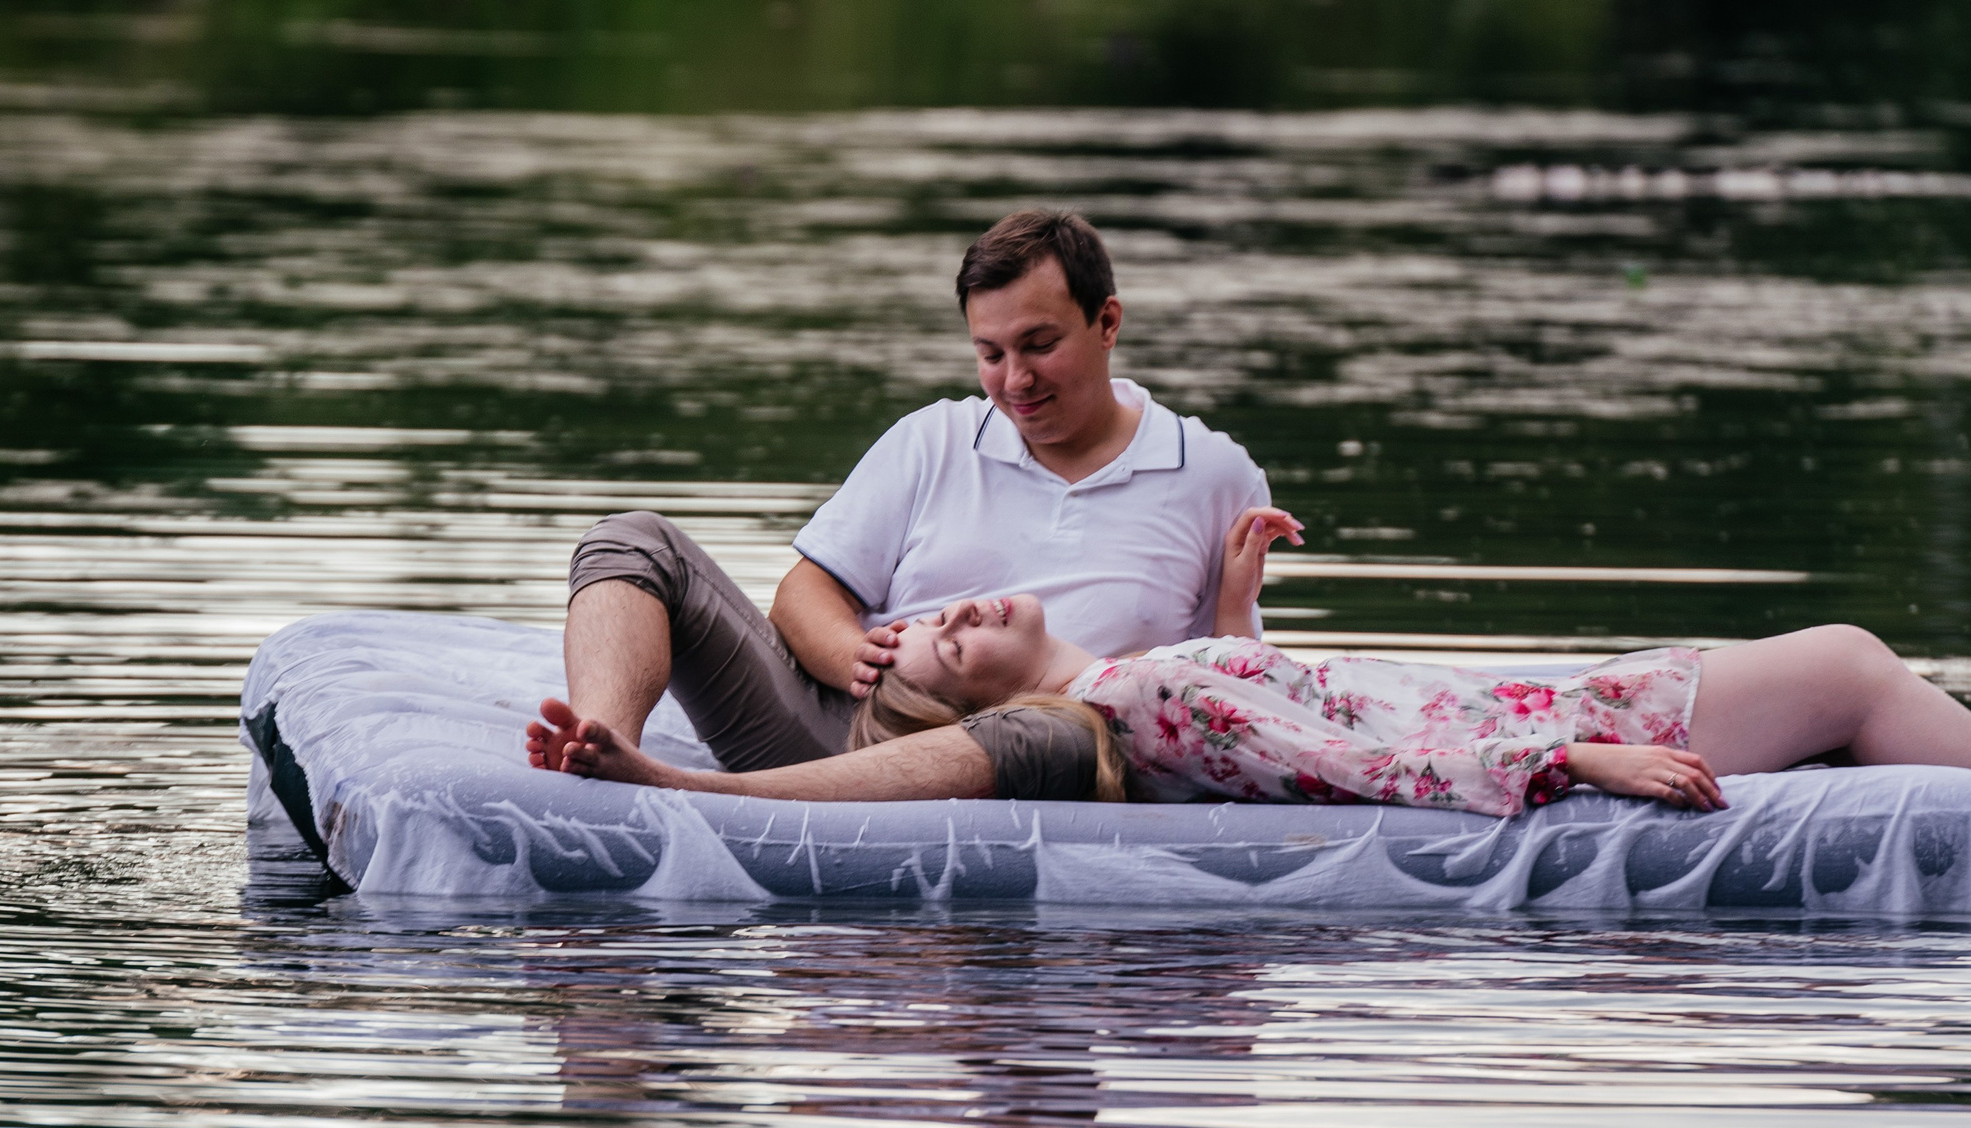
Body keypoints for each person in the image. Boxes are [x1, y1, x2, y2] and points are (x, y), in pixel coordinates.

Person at [529, 505, 1971, 815]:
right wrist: (1570, 754)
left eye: (955, 607)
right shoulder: (1134, 697)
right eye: (952, 638)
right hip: (1545, 715)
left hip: (1523, 701)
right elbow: (1353, 756)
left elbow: (1269, 713)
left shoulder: (1168, 673)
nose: (955, 612)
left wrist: (1233, 613)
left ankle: (626, 757)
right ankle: (626, 757)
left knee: (1852, 673)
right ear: (989, 692)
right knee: (1848, 664)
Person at [558, 208, 1270, 803]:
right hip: (846, 730)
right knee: (635, 539)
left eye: (1039, 345)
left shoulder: (1213, 476)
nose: (1015, 380)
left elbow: (1224, 685)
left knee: (1057, 729)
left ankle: (695, 792)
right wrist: (852, 657)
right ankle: (595, 757)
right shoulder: (933, 439)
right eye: (990, 353)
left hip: (1034, 761)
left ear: (1107, 322)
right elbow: (805, 594)